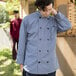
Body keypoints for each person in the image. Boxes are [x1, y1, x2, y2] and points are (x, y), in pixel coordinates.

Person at [17, 0, 72, 76]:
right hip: (32, 66)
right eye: (45, 10)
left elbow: (68, 26)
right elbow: (22, 42)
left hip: (50, 67)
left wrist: (56, 13)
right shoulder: (27, 20)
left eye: (50, 10)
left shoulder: (54, 21)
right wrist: (21, 63)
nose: (47, 13)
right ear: (39, 7)